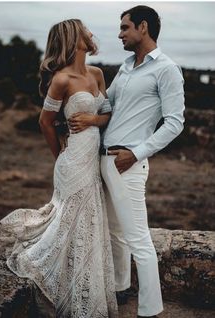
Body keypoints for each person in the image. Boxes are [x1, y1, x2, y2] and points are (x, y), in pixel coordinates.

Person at [0, 19, 118, 318]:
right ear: (75, 38)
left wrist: (92, 120)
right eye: (85, 30)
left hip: (93, 156)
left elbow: (108, 113)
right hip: (73, 159)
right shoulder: (61, 79)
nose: (91, 32)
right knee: (73, 219)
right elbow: (45, 122)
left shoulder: (97, 73)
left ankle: (86, 288)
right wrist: (59, 154)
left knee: (89, 221)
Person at [70, 5, 185, 318]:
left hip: (129, 162)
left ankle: (149, 310)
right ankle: (120, 289)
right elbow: (111, 106)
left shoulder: (166, 69)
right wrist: (82, 100)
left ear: (143, 27)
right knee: (115, 233)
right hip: (104, 159)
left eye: (124, 28)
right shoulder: (125, 67)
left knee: (139, 240)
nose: (119, 34)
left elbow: (175, 123)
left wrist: (137, 153)